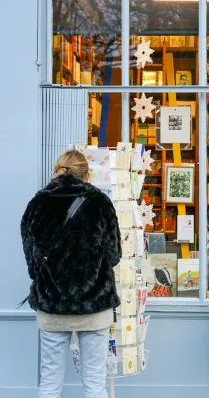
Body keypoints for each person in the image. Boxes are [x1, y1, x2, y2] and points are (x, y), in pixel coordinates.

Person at [20, 149, 121, 398]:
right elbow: (114, 255)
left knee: (50, 384)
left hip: (53, 305)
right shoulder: (100, 202)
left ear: (58, 171)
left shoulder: (38, 203)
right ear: (86, 174)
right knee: (95, 385)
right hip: (94, 306)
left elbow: (32, 261)